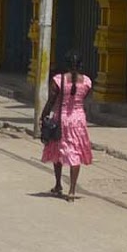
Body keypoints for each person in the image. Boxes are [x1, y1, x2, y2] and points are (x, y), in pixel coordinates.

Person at [40, 51, 93, 201]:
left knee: (58, 150)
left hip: (61, 119)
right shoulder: (87, 81)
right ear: (81, 65)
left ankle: (58, 184)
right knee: (75, 152)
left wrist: (43, 116)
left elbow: (51, 101)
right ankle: (72, 191)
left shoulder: (58, 80)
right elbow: (83, 98)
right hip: (79, 120)